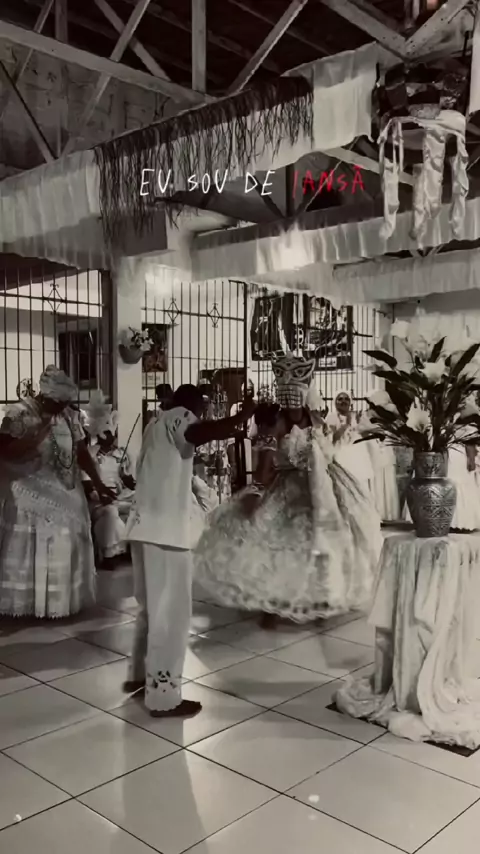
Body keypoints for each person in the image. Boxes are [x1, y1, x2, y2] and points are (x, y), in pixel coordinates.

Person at [194, 355, 382, 628]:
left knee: (323, 541)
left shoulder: (316, 419)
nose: (291, 402)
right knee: (283, 543)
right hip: (288, 487)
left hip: (324, 485)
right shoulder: (274, 423)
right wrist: (257, 490)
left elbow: (328, 451)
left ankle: (320, 597)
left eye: (295, 395)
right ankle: (276, 601)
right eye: (287, 396)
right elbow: (265, 464)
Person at [125, 383, 256, 718]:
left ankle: (139, 676)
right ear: (194, 406)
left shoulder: (155, 423)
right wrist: (240, 416)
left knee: (150, 610)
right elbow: (197, 431)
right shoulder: (180, 417)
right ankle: (163, 697)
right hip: (167, 533)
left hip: (142, 528)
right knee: (171, 616)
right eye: (202, 408)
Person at [0, 366, 115, 618]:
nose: (62, 406)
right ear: (45, 396)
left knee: (66, 545)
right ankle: (30, 605)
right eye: (58, 402)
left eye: (65, 402)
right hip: (30, 496)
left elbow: (81, 453)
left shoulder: (69, 416)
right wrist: (36, 432)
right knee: (34, 548)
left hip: (66, 492)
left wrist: (98, 483)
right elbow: (5, 451)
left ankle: (61, 603)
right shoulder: (19, 413)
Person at [83, 391, 135, 568]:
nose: (111, 436)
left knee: (140, 507)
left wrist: (135, 484)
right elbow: (87, 485)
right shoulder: (90, 454)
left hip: (120, 498)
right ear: (99, 433)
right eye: (106, 432)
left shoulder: (121, 453)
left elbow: (127, 479)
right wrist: (101, 496)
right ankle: (110, 554)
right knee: (111, 513)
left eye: (113, 432)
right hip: (98, 502)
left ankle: (131, 551)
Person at [325, 390, 374, 492]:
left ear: (350, 402)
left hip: (357, 458)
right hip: (340, 457)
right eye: (340, 399)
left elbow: (363, 435)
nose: (344, 401)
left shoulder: (356, 416)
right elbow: (332, 439)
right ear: (335, 402)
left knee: (361, 488)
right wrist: (346, 425)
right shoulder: (331, 418)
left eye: (346, 399)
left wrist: (362, 425)